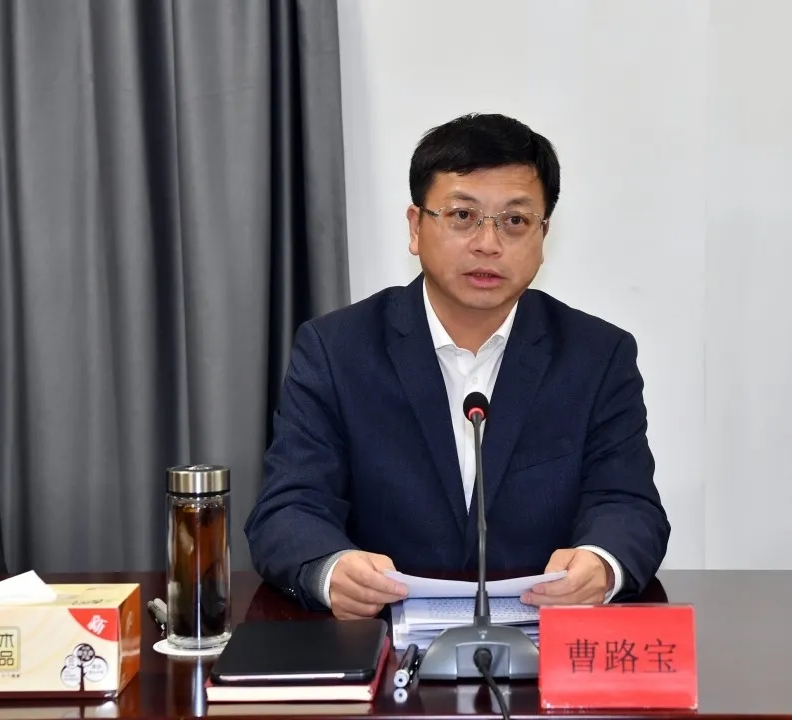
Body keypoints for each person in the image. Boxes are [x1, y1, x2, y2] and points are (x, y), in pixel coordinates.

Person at [245, 113, 669, 619]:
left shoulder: (597, 355)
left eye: (515, 221)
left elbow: (628, 504)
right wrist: (331, 568)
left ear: (543, 236)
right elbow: (289, 507)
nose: (488, 244)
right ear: (415, 227)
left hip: (539, 641)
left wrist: (601, 563)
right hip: (384, 641)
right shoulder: (336, 350)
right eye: (463, 215)